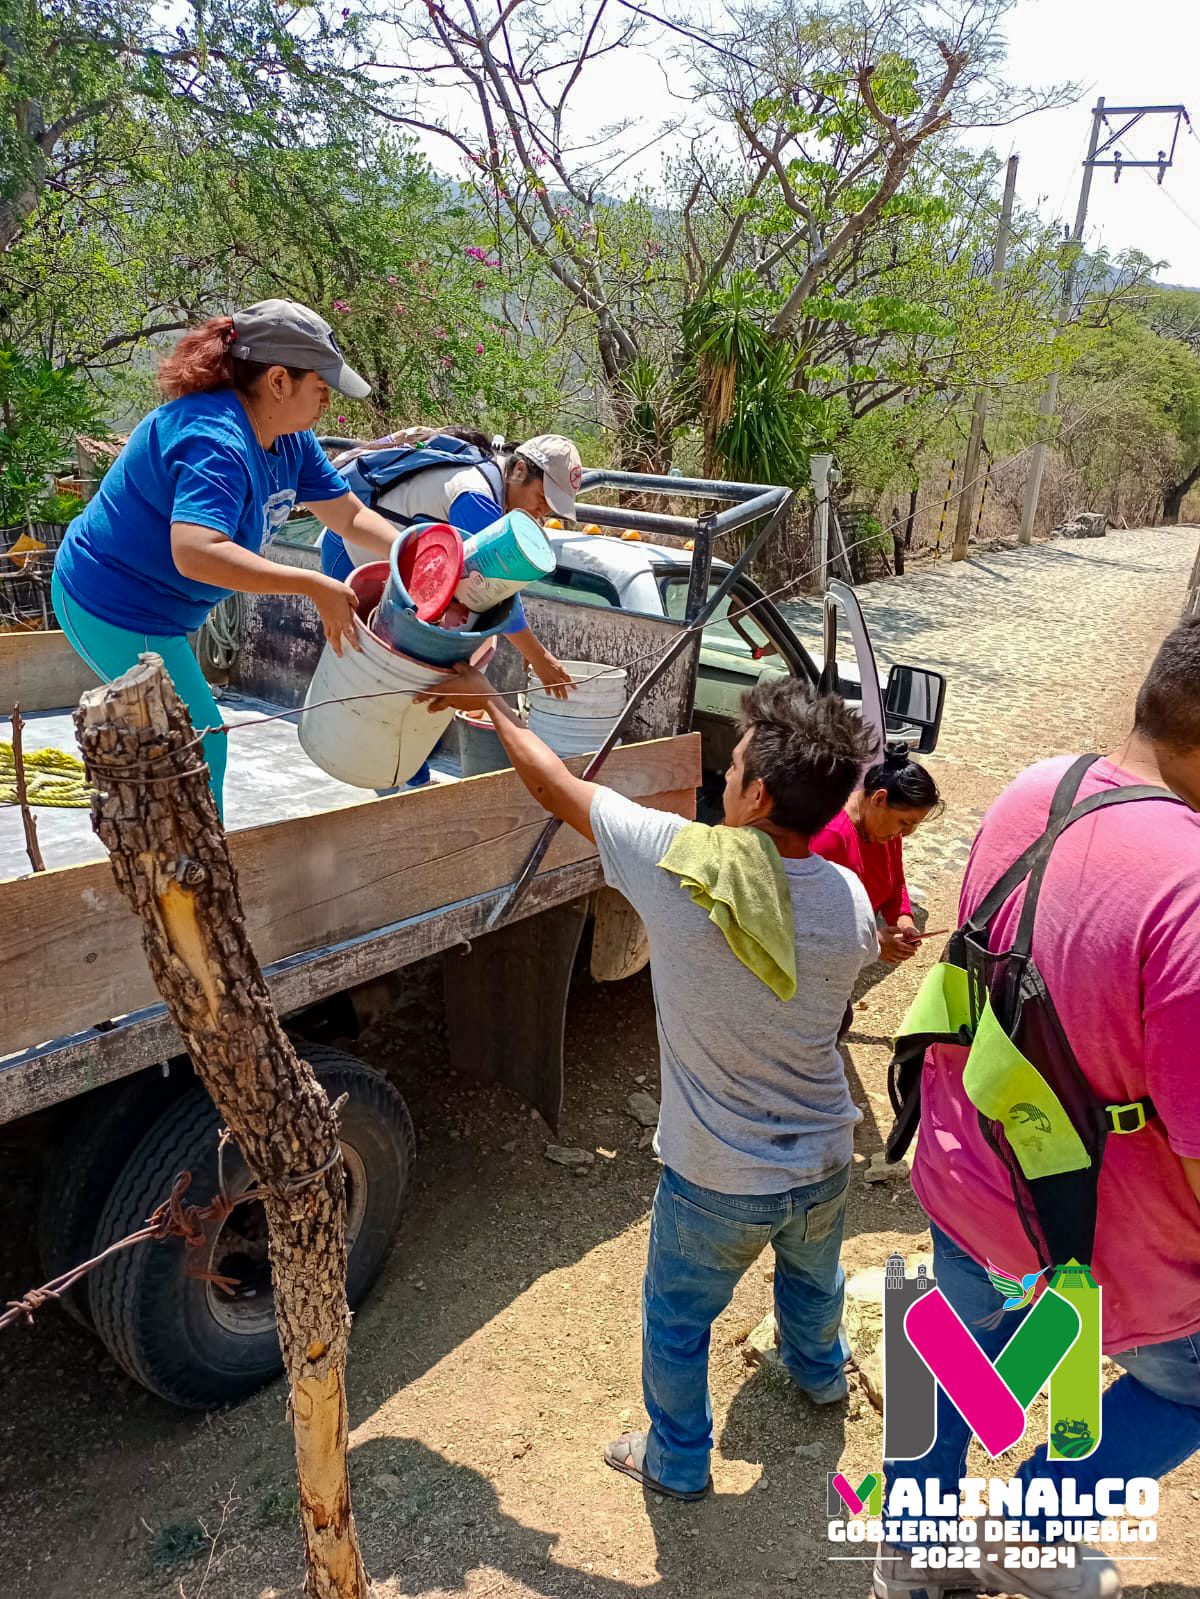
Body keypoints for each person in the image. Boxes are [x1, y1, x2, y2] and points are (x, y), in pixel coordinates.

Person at [418, 665, 880, 1500]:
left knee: (677, 1322)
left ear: (760, 796)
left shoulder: (680, 865)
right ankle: (821, 1376)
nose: (721, 779)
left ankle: (676, 1458)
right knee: (814, 1281)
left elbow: (555, 785)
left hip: (716, 1181)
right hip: (822, 1158)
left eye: (732, 770)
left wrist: (489, 703)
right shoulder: (849, 898)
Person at [876, 617, 1200, 1599]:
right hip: (1097, 1233)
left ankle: (914, 1549)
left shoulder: (1038, 788)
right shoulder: (1190, 892)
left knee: (948, 1356)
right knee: (1183, 1388)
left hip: (970, 1173)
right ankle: (1025, 1528)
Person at [52, 300, 404, 816]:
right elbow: (197, 552)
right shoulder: (215, 440)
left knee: (180, 747)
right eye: (321, 386)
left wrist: (413, 551)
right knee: (198, 744)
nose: (327, 401)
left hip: (167, 610)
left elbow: (348, 518)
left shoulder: (291, 440)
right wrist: (313, 585)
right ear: (279, 381)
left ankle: (183, 859)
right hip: (114, 604)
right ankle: (192, 874)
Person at [319, 430, 582, 699]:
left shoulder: (497, 488)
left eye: (551, 507)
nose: (542, 513)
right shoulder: (476, 497)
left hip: (390, 570)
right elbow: (492, 589)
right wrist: (538, 655)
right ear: (520, 471)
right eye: (541, 498)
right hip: (352, 554)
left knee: (386, 677)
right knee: (356, 666)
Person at [810, 743, 940, 964]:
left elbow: (895, 883)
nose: (906, 833)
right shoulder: (831, 837)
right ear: (879, 799)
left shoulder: (884, 830)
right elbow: (811, 924)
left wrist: (904, 923)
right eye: (904, 822)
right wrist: (875, 944)